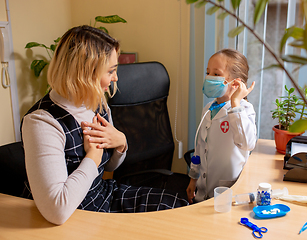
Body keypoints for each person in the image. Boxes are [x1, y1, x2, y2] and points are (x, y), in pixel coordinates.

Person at [21, 25, 188, 225]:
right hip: (73, 216)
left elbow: (110, 165)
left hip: (102, 196)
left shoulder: (95, 103)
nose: (116, 78)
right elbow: (57, 211)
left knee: (177, 206)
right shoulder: (42, 123)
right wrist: (92, 157)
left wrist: (120, 143)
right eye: (110, 71)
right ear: (84, 73)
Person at [186, 48, 257, 203]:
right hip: (202, 191)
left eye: (216, 74)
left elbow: (247, 144)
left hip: (228, 193)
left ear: (235, 82)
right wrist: (193, 178)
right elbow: (199, 147)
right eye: (208, 72)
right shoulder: (208, 109)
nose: (209, 77)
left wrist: (235, 104)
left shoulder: (244, 110)